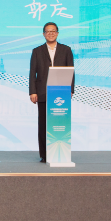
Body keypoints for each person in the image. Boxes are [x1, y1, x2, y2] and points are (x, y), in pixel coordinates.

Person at [29, 22, 74, 162]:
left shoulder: (66, 50)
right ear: (44, 34)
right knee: (43, 124)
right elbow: (32, 72)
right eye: (48, 31)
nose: (51, 33)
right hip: (42, 92)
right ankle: (44, 155)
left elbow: (71, 70)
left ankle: (61, 152)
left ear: (57, 33)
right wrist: (32, 91)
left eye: (53, 31)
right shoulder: (37, 51)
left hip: (61, 92)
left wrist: (71, 89)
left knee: (60, 123)